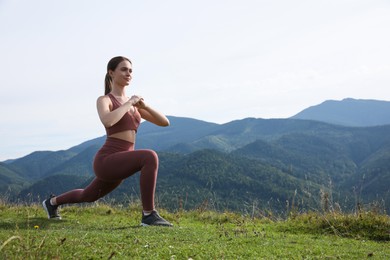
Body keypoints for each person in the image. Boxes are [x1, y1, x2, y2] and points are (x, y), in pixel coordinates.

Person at [42, 56, 173, 227]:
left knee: (87, 196)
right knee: (150, 157)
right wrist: (129, 103)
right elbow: (108, 121)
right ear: (111, 73)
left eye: (131, 70)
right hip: (107, 160)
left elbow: (164, 122)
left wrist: (144, 106)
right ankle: (149, 215)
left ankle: (51, 203)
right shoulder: (105, 100)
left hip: (121, 161)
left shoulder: (135, 106)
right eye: (124, 69)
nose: (129, 73)